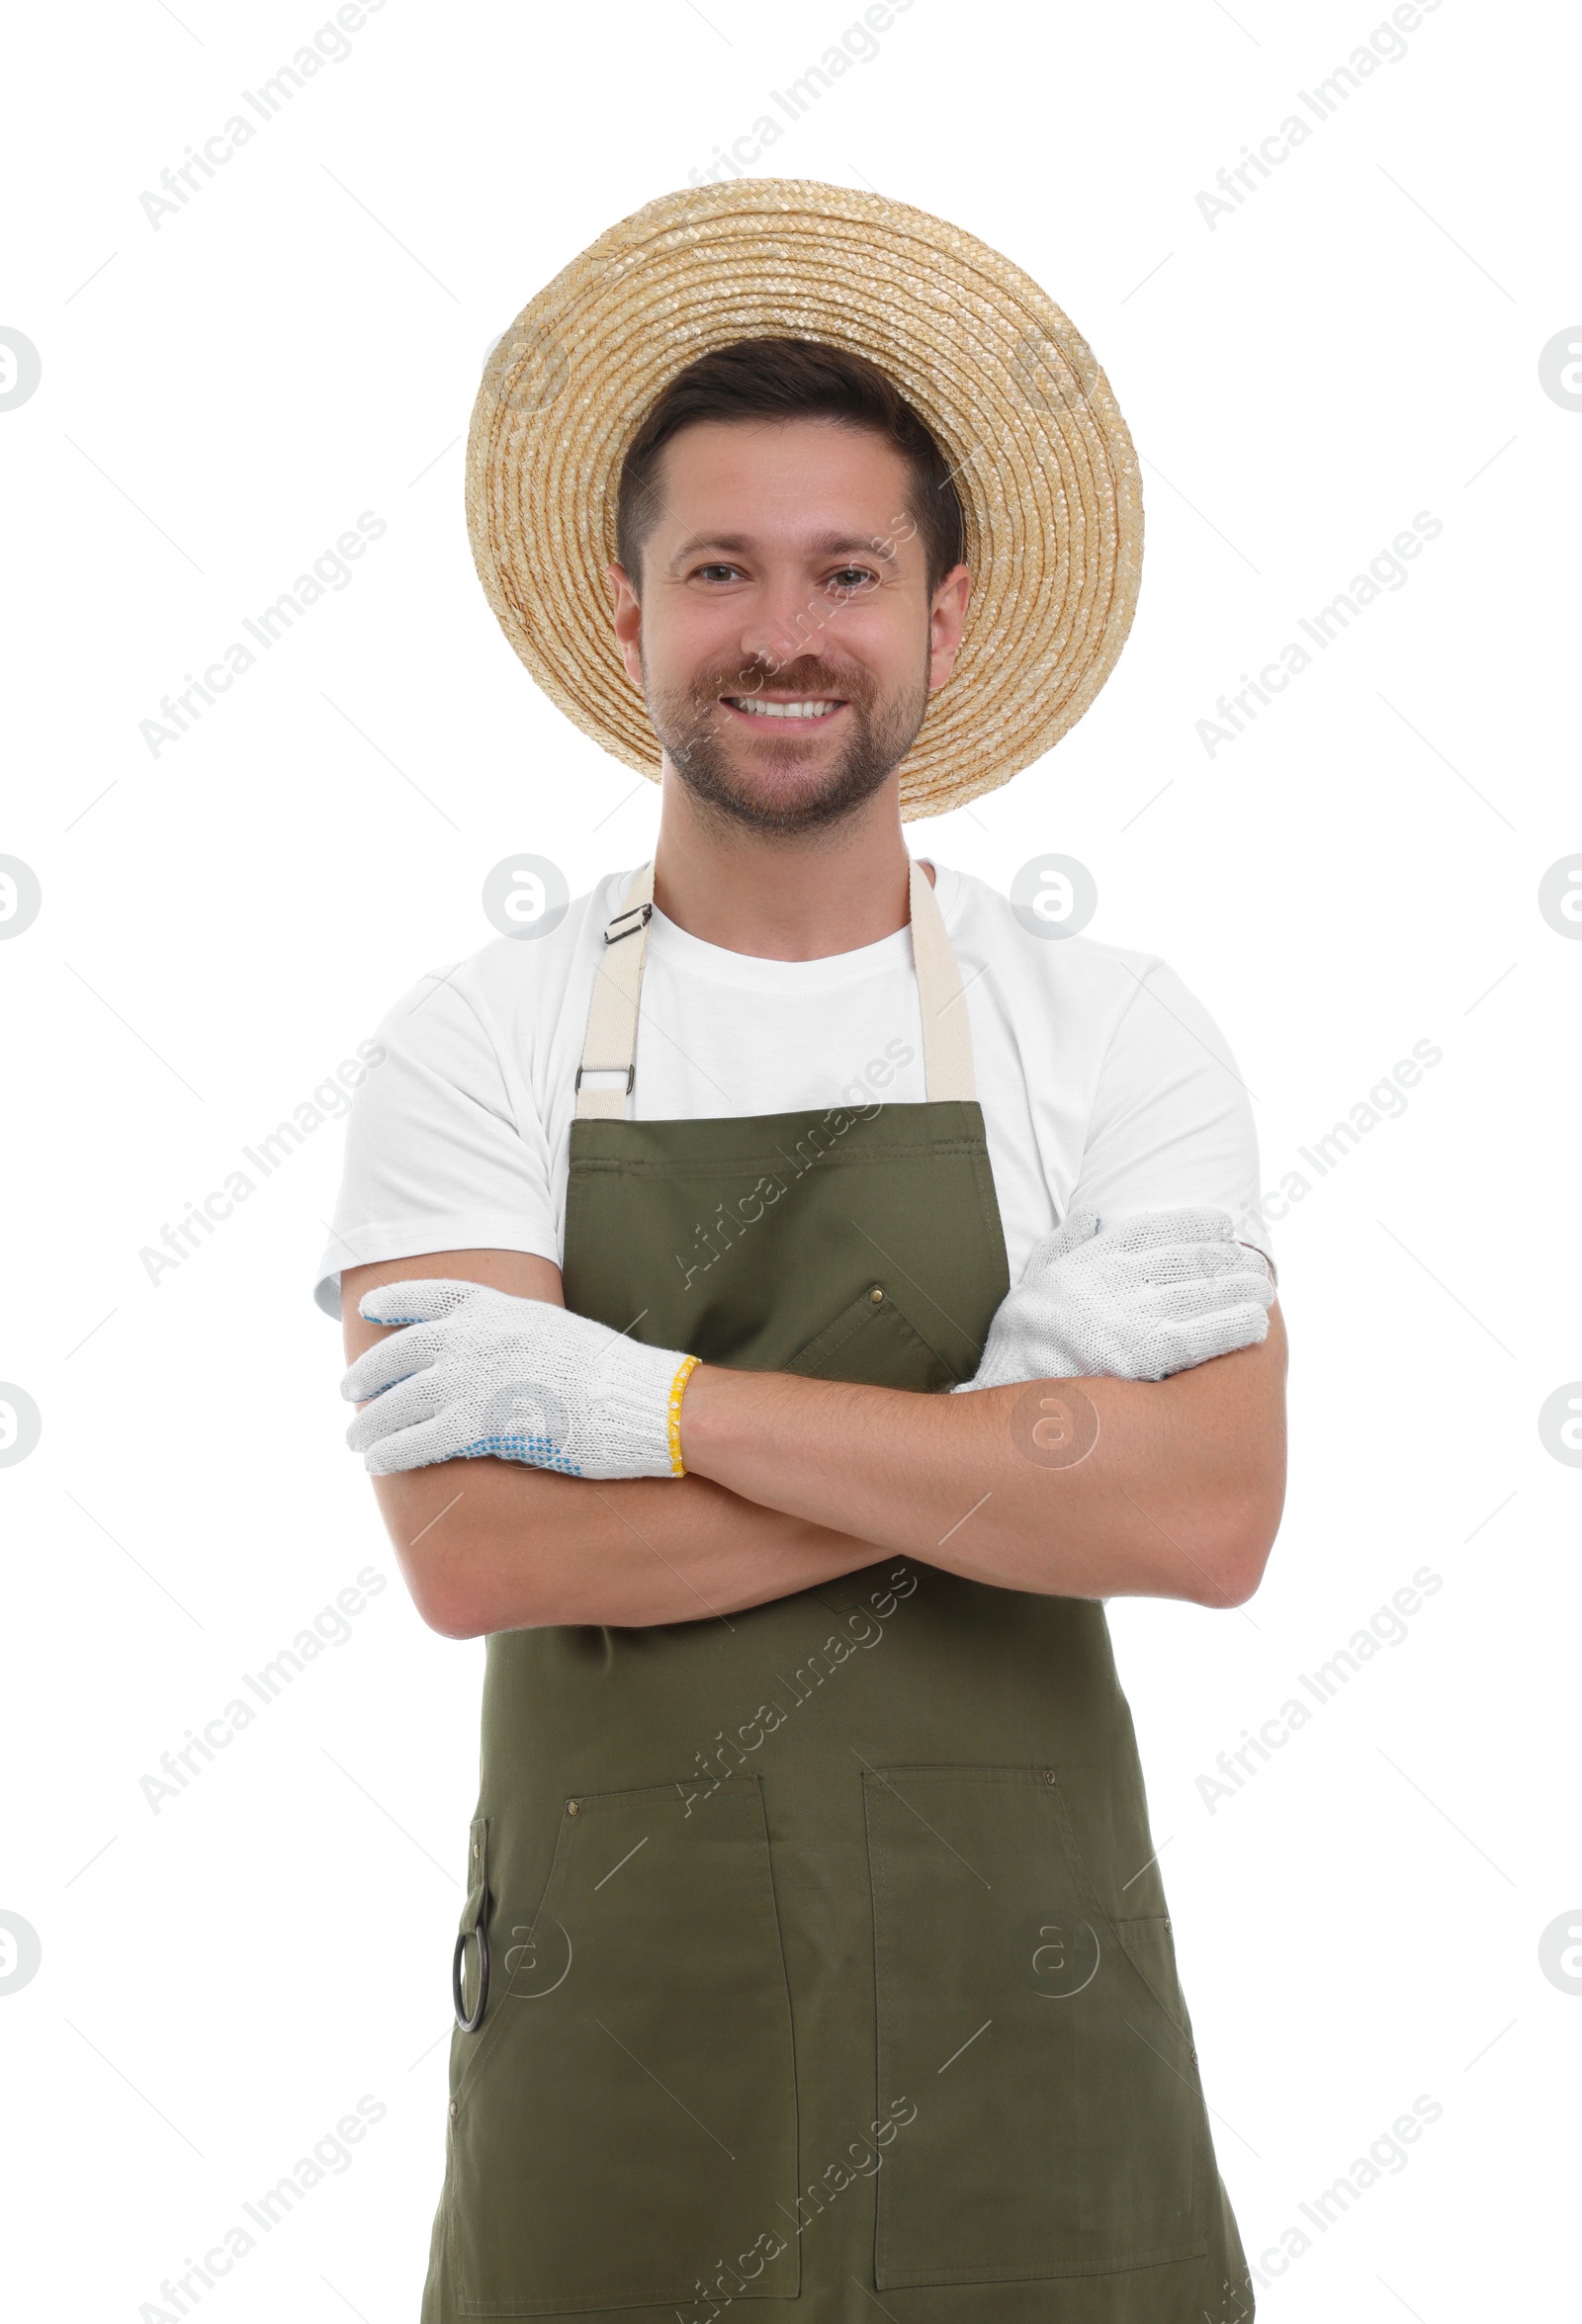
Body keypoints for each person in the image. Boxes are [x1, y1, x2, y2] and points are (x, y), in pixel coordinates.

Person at [314, 182, 1286, 2324]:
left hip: (1023, 1999)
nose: (782, 630)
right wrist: (995, 1451)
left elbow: (1205, 1519)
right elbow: (486, 1554)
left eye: (846, 571)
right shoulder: (474, 1043)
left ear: (942, 615)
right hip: (615, 2014)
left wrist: (642, 1411)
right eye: (718, 570)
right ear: (628, 610)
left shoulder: (1105, 1027)